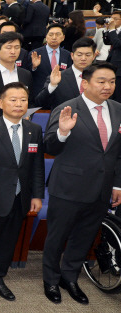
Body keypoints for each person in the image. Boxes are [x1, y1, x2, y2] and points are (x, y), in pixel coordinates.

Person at [42, 61, 121, 305]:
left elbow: (117, 153)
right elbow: (50, 147)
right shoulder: (67, 108)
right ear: (85, 83)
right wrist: (63, 132)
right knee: (58, 237)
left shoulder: (118, 109)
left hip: (102, 188)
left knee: (84, 236)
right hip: (68, 187)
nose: (108, 86)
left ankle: (70, 277)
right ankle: (51, 280)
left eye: (112, 82)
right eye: (102, 81)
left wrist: (117, 184)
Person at [0, 82, 45, 301]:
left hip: (20, 197)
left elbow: (37, 166)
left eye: (23, 100)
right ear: (1, 103)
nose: (19, 104)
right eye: (13, 100)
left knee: (8, 241)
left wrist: (37, 195)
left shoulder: (34, 130)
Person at [29, 24, 73, 101]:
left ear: (63, 37)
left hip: (60, 95)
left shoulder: (68, 55)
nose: (54, 37)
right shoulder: (34, 53)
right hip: (40, 95)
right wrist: (34, 67)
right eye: (51, 34)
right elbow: (27, 75)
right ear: (46, 36)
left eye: (58, 34)